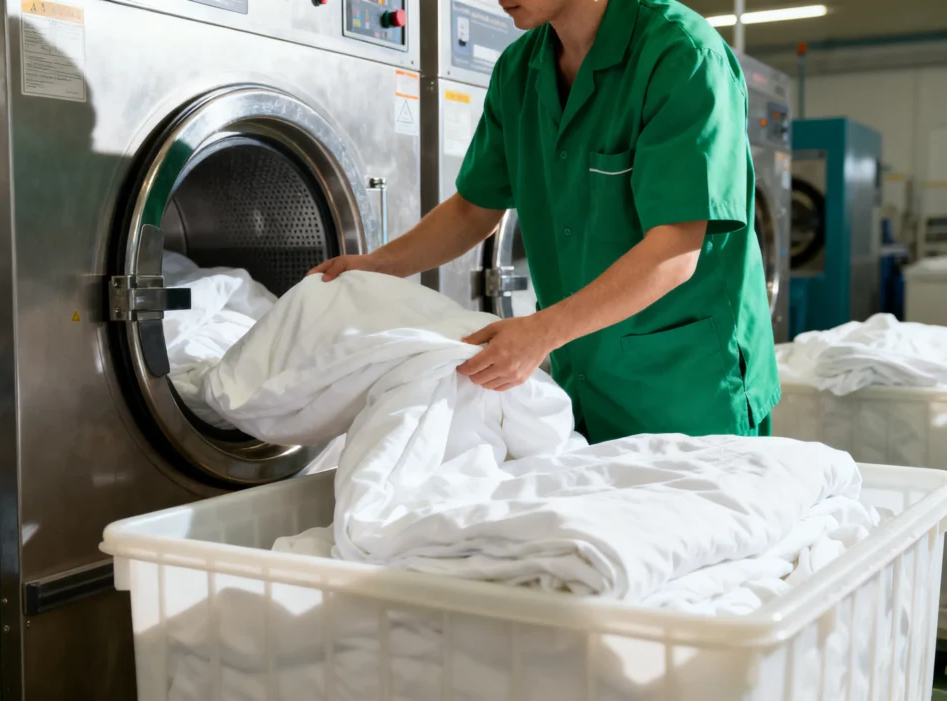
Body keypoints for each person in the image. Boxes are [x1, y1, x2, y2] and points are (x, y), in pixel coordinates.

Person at [309, 0, 780, 443]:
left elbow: (674, 252)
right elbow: (475, 207)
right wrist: (376, 266)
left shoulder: (682, 56)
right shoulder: (519, 70)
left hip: (689, 384)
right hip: (584, 378)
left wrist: (540, 333)